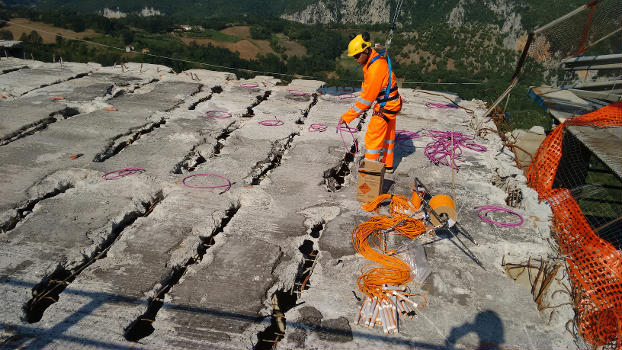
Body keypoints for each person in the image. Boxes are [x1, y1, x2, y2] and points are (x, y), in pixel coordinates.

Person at [340, 32, 402, 173]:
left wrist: (347, 116)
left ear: (366, 50)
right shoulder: (374, 60)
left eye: (357, 55)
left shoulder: (375, 69)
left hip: (386, 105)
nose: (355, 59)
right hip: (392, 102)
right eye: (353, 56)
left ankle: (370, 171)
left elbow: (366, 100)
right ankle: (388, 165)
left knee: (373, 137)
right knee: (388, 136)